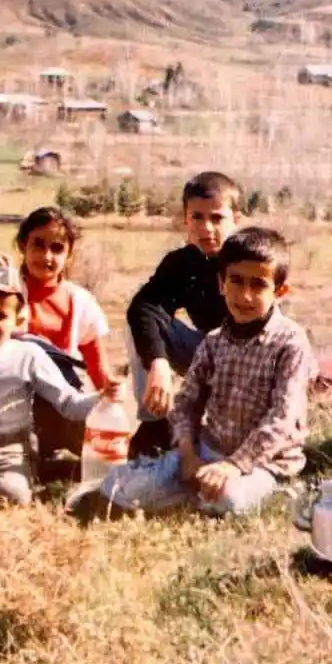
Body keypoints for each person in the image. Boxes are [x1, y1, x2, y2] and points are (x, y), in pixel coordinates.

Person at [79, 227, 313, 520]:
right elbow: (186, 403)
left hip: (262, 463)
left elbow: (282, 418)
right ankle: (190, 488)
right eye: (236, 281)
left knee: (230, 499)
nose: (245, 295)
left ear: (279, 291)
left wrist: (233, 466)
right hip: (207, 452)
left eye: (259, 285)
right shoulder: (214, 342)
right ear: (221, 283)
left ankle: (245, 493)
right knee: (119, 484)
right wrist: (188, 454)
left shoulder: (290, 343)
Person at [0, 257, 123, 513]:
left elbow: (69, 403)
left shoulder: (28, 355)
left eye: (0, 315)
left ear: (18, 319)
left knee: (11, 499)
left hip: (12, 451)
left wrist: (103, 396)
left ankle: (37, 476)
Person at [125, 170, 240, 459]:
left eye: (217, 218)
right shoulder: (183, 262)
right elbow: (145, 306)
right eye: (197, 217)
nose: (207, 228)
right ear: (185, 218)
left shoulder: (247, 257)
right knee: (139, 323)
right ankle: (154, 422)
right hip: (207, 353)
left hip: (249, 361)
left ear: (236, 220)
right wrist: (158, 362)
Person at [13, 206, 114, 480]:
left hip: (63, 404)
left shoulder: (80, 301)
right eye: (38, 245)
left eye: (56, 248)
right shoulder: (7, 293)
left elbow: (97, 367)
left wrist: (110, 398)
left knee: (108, 459)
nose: (46, 256)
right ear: (23, 245)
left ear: (69, 255)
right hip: (14, 405)